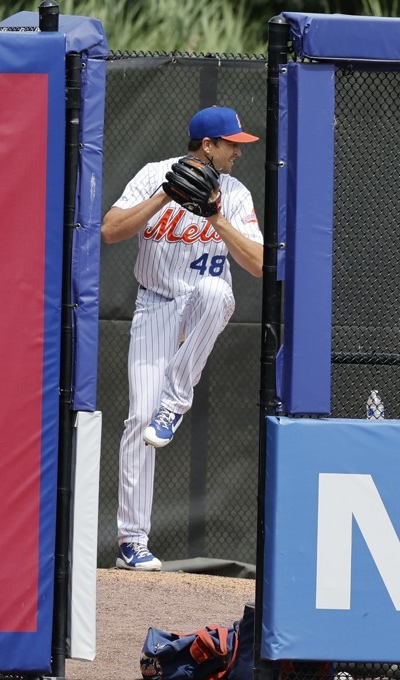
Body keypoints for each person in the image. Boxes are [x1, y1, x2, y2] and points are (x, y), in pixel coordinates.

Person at [101, 106, 263, 571]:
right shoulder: (154, 174)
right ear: (207, 146)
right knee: (138, 419)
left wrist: (217, 219)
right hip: (155, 303)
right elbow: (111, 230)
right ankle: (132, 543)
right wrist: (163, 196)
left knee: (217, 291)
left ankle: (177, 398)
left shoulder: (233, 192)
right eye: (232, 144)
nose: (238, 151)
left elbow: (257, 264)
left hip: (201, 306)